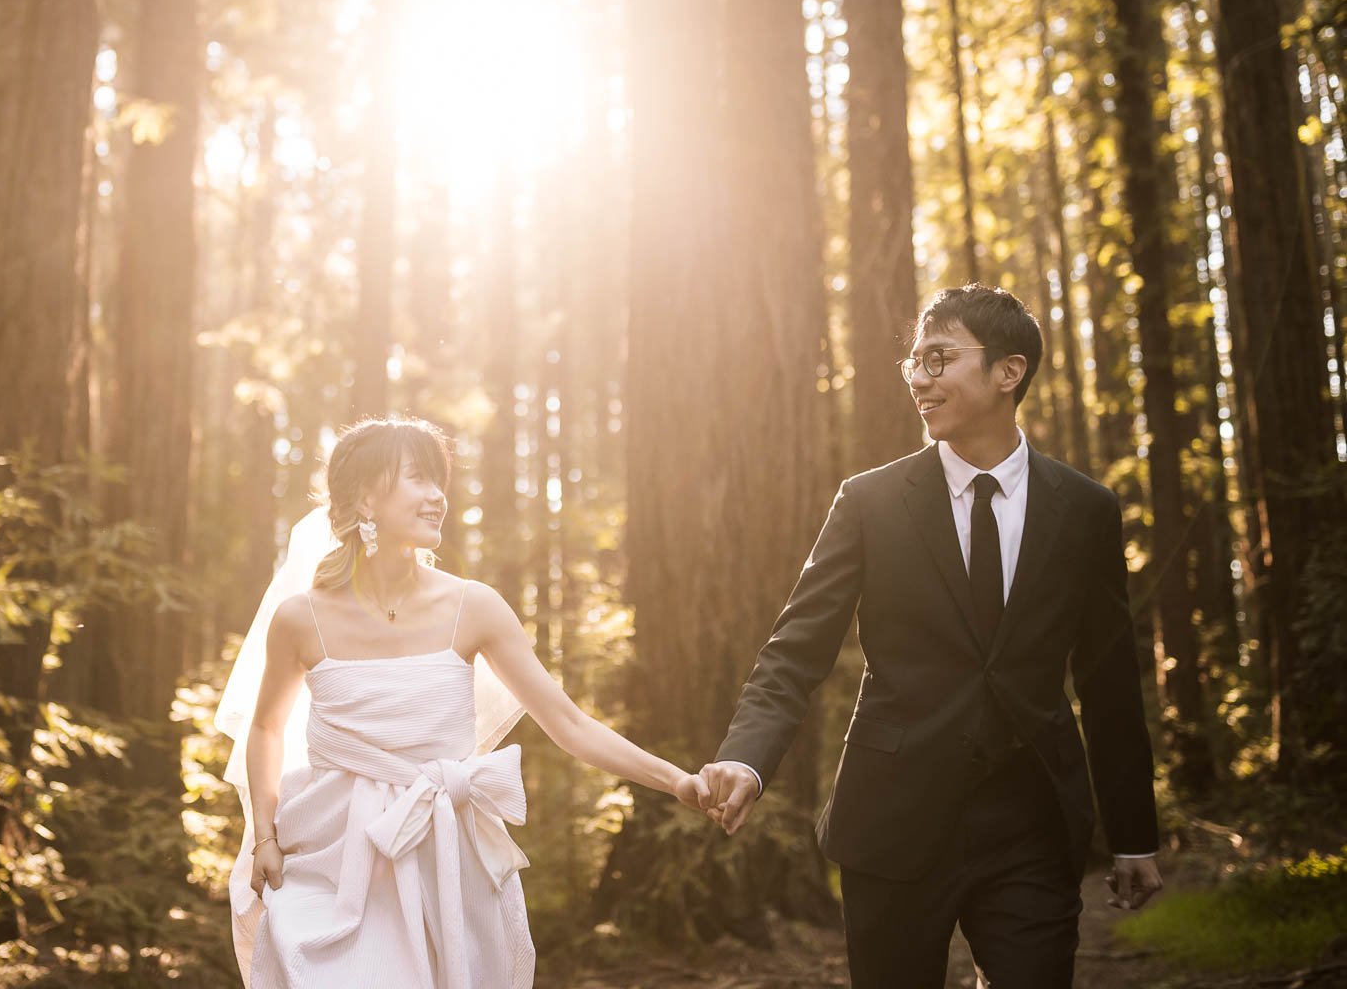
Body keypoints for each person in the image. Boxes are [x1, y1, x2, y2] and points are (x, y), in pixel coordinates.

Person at [698, 285, 1163, 989]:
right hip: (892, 823)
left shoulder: (1085, 510)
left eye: (939, 359)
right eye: (913, 362)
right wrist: (746, 759)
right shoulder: (869, 502)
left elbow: (1109, 684)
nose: (919, 377)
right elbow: (794, 652)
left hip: (1032, 827)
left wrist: (1132, 836)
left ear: (1008, 372)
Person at [217, 417, 709, 989]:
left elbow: (569, 724)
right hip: (330, 856)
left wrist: (676, 782)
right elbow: (266, 730)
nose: (438, 497)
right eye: (419, 480)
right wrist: (265, 840)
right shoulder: (301, 619)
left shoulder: (474, 608)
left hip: (447, 859)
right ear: (366, 498)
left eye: (440, 482)